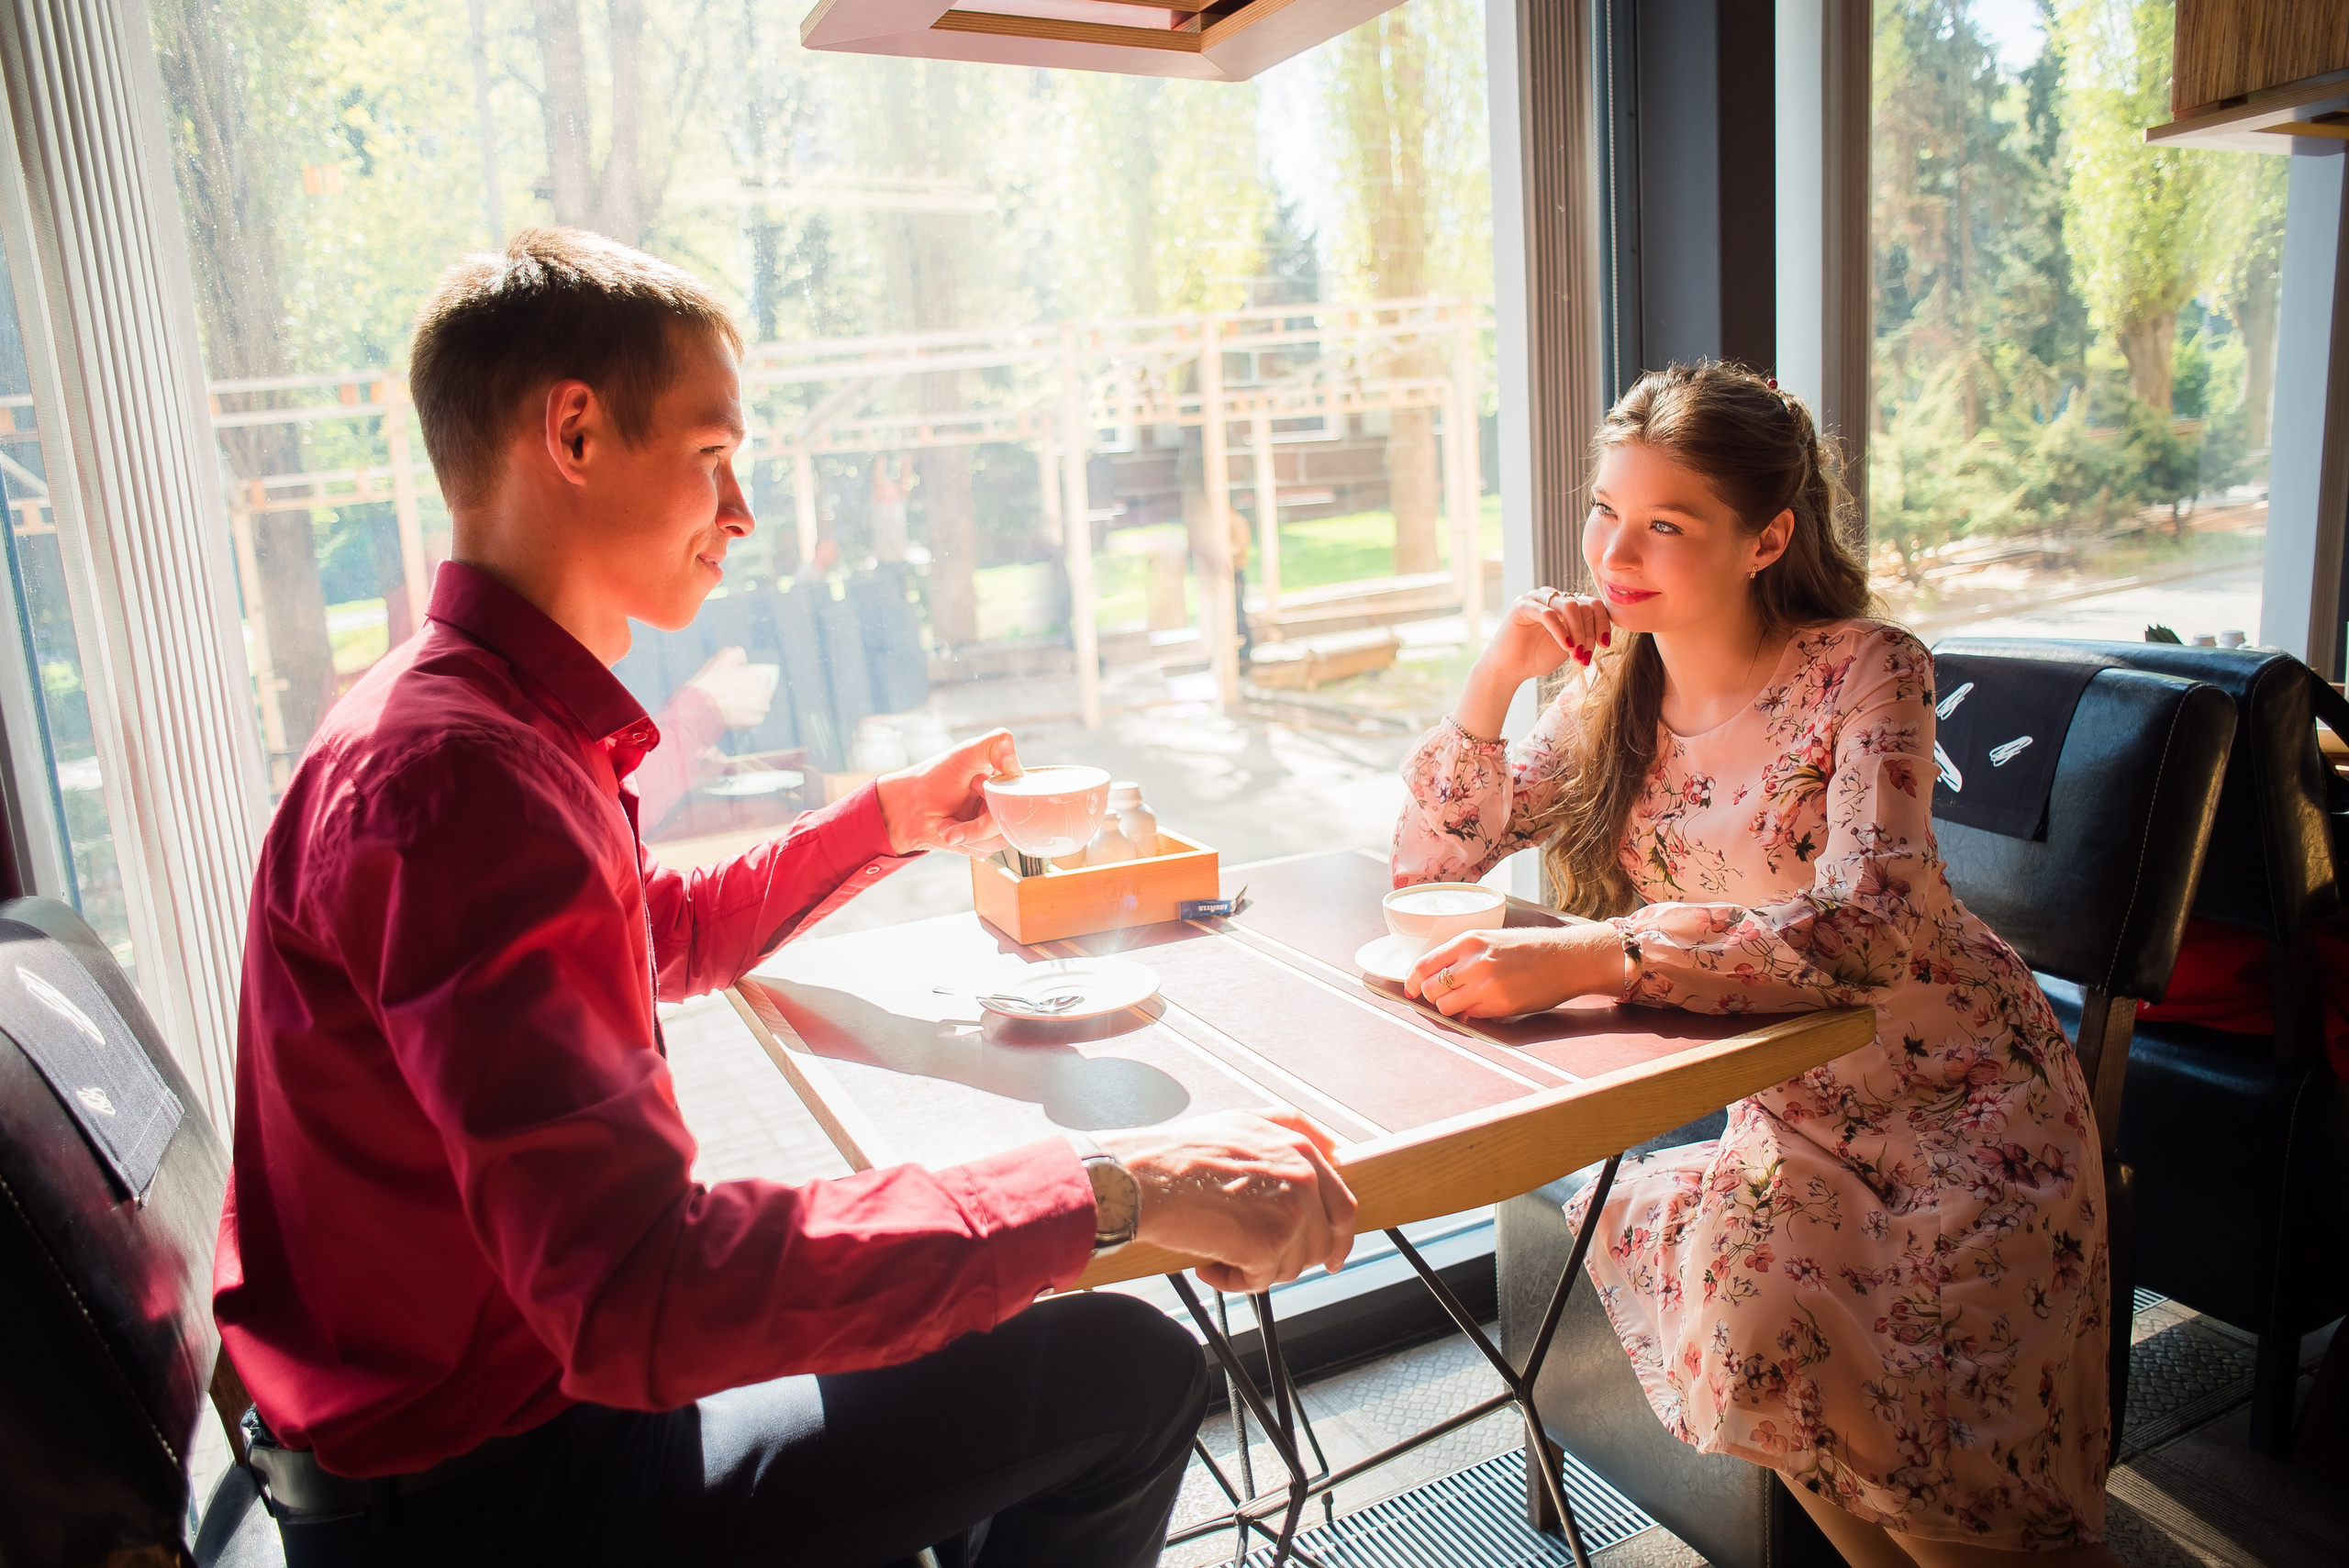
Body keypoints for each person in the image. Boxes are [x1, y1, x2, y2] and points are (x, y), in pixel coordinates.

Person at [215, 227, 1358, 1568]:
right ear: (573, 433)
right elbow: (643, 1295)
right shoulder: (461, 781)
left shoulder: (465, 719)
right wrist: (1121, 1187)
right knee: (1131, 1372)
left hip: (486, 1441)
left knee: (984, 1342)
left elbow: (657, 933)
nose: (742, 510)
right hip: (507, 1503)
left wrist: (889, 820)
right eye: (713, 455)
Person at [1392, 362, 2121, 1568]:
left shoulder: (1868, 668)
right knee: (1761, 1328)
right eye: (1606, 510)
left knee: (1977, 1504)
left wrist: (1600, 954)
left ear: (1767, 538)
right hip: (1794, 1111)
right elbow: (1431, 869)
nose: (1615, 551)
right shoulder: (1611, 693)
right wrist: (1494, 676)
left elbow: (1868, 927)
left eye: (1666, 524)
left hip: (1964, 1102)